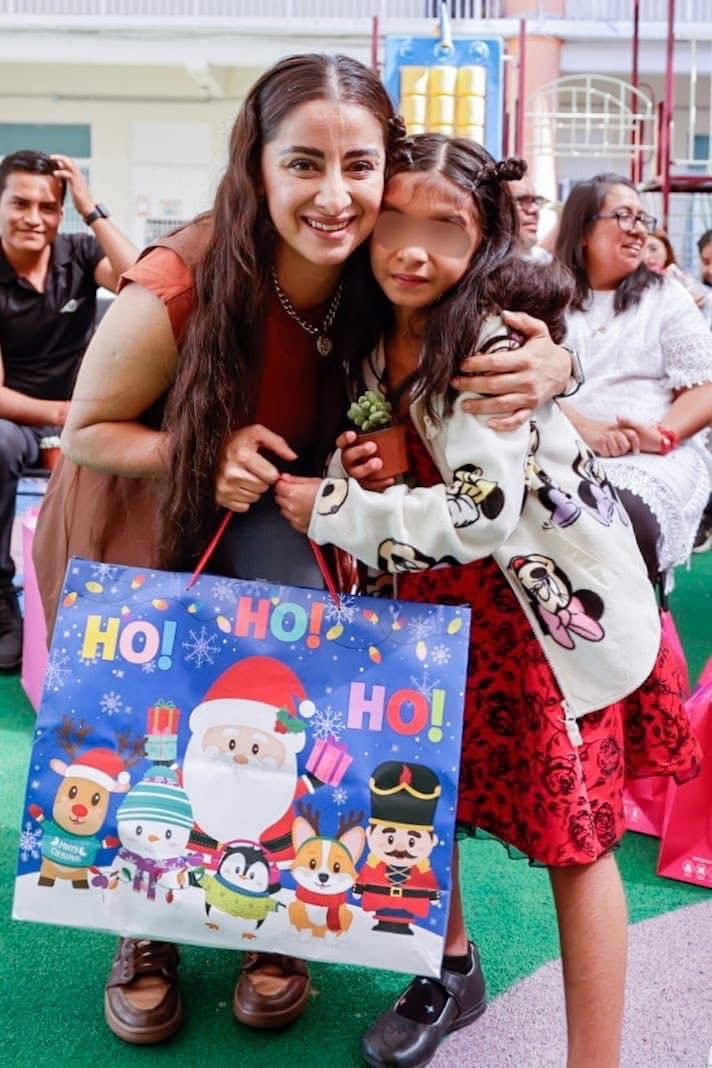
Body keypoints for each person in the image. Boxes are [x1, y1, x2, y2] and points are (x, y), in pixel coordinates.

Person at [44, 55, 575, 1045]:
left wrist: (555, 360)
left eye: (358, 167)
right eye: (303, 164)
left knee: (294, 684)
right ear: (256, 166)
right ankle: (144, 922)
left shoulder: (377, 266)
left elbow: (495, 300)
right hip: (144, 514)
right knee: (157, 708)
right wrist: (197, 454)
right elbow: (85, 433)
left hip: (280, 512)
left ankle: (270, 911)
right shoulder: (178, 282)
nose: (334, 197)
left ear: (388, 172)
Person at [273, 135, 700, 1068]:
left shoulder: (489, 342)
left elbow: (479, 516)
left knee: (578, 843)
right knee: (419, 791)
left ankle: (595, 1058)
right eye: (394, 221)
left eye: (446, 228)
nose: (410, 249)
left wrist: (335, 506)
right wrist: (372, 456)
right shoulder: (365, 326)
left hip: (536, 626)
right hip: (423, 606)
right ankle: (449, 968)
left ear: (487, 240)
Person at [0, 149, 137, 669]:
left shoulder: (78, 254)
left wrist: (90, 208)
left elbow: (146, 281)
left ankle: (108, 603)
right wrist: (64, 415)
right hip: (18, 420)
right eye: (20, 204)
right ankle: (2, 602)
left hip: (82, 420)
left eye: (48, 207)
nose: (34, 218)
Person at [555, 174, 712, 582]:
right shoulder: (545, 296)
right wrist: (582, 430)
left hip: (649, 455)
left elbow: (704, 389)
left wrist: (661, 435)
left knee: (622, 511)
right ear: (583, 229)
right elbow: (528, 381)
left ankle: (631, 616)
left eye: (643, 218)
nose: (639, 230)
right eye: (624, 216)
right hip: (557, 443)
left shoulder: (666, 295)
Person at [642, 228, 712, 321]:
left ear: (666, 250)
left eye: (653, 249)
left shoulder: (683, 281)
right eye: (706, 262)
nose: (646, 256)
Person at [507, 172, 552, 262]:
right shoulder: (485, 267)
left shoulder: (544, 260)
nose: (535, 209)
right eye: (523, 200)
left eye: (535, 201)